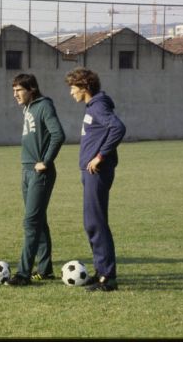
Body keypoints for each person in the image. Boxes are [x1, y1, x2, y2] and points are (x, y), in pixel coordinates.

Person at [65, 67, 126, 292]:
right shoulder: (94, 105)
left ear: (85, 87)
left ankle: (108, 277)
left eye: (73, 88)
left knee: (96, 222)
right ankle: (101, 272)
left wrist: (99, 157)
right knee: (92, 222)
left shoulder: (99, 105)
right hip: (90, 173)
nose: (71, 93)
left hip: (97, 173)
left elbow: (118, 128)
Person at [6, 74, 66, 286]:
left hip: (40, 172)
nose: (15, 95)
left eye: (19, 90)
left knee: (31, 222)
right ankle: (45, 270)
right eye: (13, 91)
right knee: (38, 221)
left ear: (32, 88)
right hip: (26, 171)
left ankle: (23, 274)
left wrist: (46, 161)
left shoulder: (44, 105)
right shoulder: (28, 108)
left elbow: (58, 135)